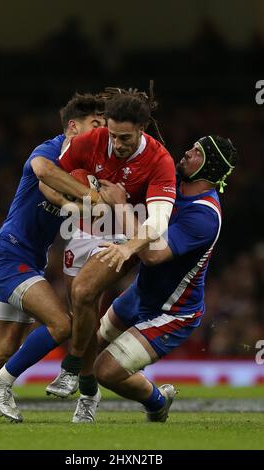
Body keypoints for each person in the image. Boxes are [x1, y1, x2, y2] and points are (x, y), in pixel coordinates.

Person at [0, 93, 105, 422]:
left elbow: (67, 201)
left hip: (27, 260)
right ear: (73, 127)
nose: (101, 132)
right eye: (94, 124)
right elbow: (42, 172)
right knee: (62, 324)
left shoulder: (81, 166)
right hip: (8, 255)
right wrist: (90, 197)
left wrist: (86, 204)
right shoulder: (51, 150)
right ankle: (1, 384)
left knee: (3, 350)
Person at [44, 89, 176, 423]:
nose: (117, 144)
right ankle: (94, 392)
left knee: (85, 291)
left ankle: (72, 368)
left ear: (143, 129)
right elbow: (51, 175)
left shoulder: (160, 160)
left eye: (125, 138)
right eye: (113, 136)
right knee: (82, 307)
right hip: (84, 228)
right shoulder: (93, 140)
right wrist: (75, 198)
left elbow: (158, 221)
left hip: (125, 232)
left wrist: (128, 246)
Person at [92, 135, 237, 422]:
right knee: (91, 343)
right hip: (140, 293)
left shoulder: (204, 216)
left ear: (208, 167)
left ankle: (158, 401)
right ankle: (100, 388)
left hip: (172, 313)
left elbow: (153, 255)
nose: (186, 152)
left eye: (195, 152)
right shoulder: (174, 186)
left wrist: (120, 204)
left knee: (105, 371)